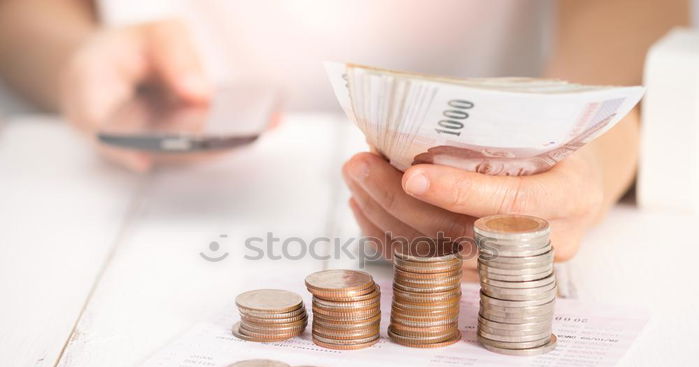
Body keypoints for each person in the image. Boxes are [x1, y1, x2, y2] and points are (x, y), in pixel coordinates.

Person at [0, 0, 689, 267]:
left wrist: (592, 152)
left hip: (515, 144)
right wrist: (73, 58)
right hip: (116, 207)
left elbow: (628, 10)